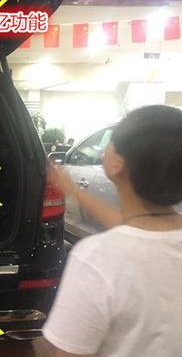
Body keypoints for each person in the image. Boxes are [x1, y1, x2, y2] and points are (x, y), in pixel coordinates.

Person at [42, 105, 182, 357]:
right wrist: (72, 189)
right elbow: (140, 231)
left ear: (117, 165)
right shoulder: (117, 252)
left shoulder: (96, 259)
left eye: (111, 141)